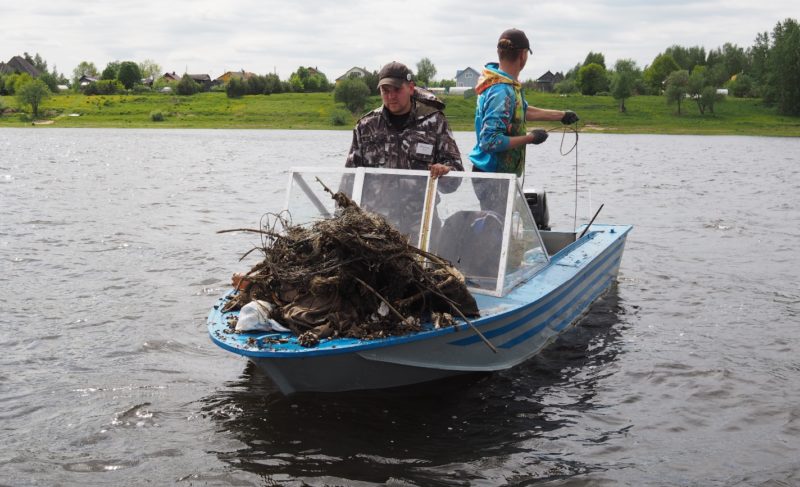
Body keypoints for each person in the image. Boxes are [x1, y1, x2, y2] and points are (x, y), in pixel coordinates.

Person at [344, 61, 464, 243]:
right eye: (385, 91)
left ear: (410, 88)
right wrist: (342, 221)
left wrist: (445, 171)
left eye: (397, 90)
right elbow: (349, 181)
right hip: (375, 230)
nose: (391, 96)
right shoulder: (365, 126)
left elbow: (455, 176)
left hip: (422, 227)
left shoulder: (434, 122)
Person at [469, 28, 579, 178]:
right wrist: (530, 138)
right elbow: (489, 141)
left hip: (495, 174)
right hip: (491, 175)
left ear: (500, 53)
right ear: (522, 55)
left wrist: (561, 115)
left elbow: (521, 110)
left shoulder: (505, 84)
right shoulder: (501, 91)